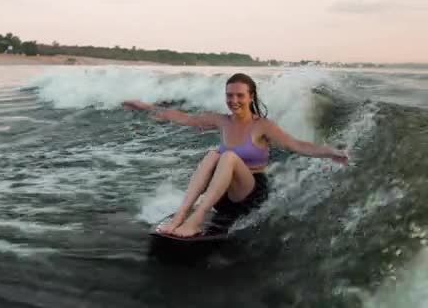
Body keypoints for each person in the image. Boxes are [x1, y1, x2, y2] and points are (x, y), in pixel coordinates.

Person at [122, 73, 348, 238]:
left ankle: (197, 219)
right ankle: (181, 216)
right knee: (213, 155)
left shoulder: (263, 126)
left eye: (240, 95)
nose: (234, 101)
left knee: (227, 156)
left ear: (251, 97)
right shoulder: (222, 120)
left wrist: (330, 152)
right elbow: (183, 117)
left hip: (249, 195)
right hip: (223, 197)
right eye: (229, 96)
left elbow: (298, 145)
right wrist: (146, 107)